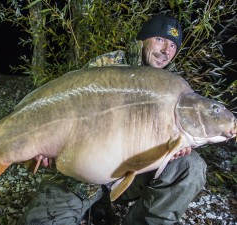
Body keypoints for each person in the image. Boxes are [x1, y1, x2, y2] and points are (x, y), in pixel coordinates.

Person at [17, 14, 207, 225]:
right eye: (160, 40)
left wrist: (176, 149)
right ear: (143, 40)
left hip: (133, 173)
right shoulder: (107, 66)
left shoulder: (175, 88)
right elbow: (67, 113)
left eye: (173, 45)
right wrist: (48, 145)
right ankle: (95, 201)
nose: (166, 51)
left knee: (190, 166)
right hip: (82, 174)